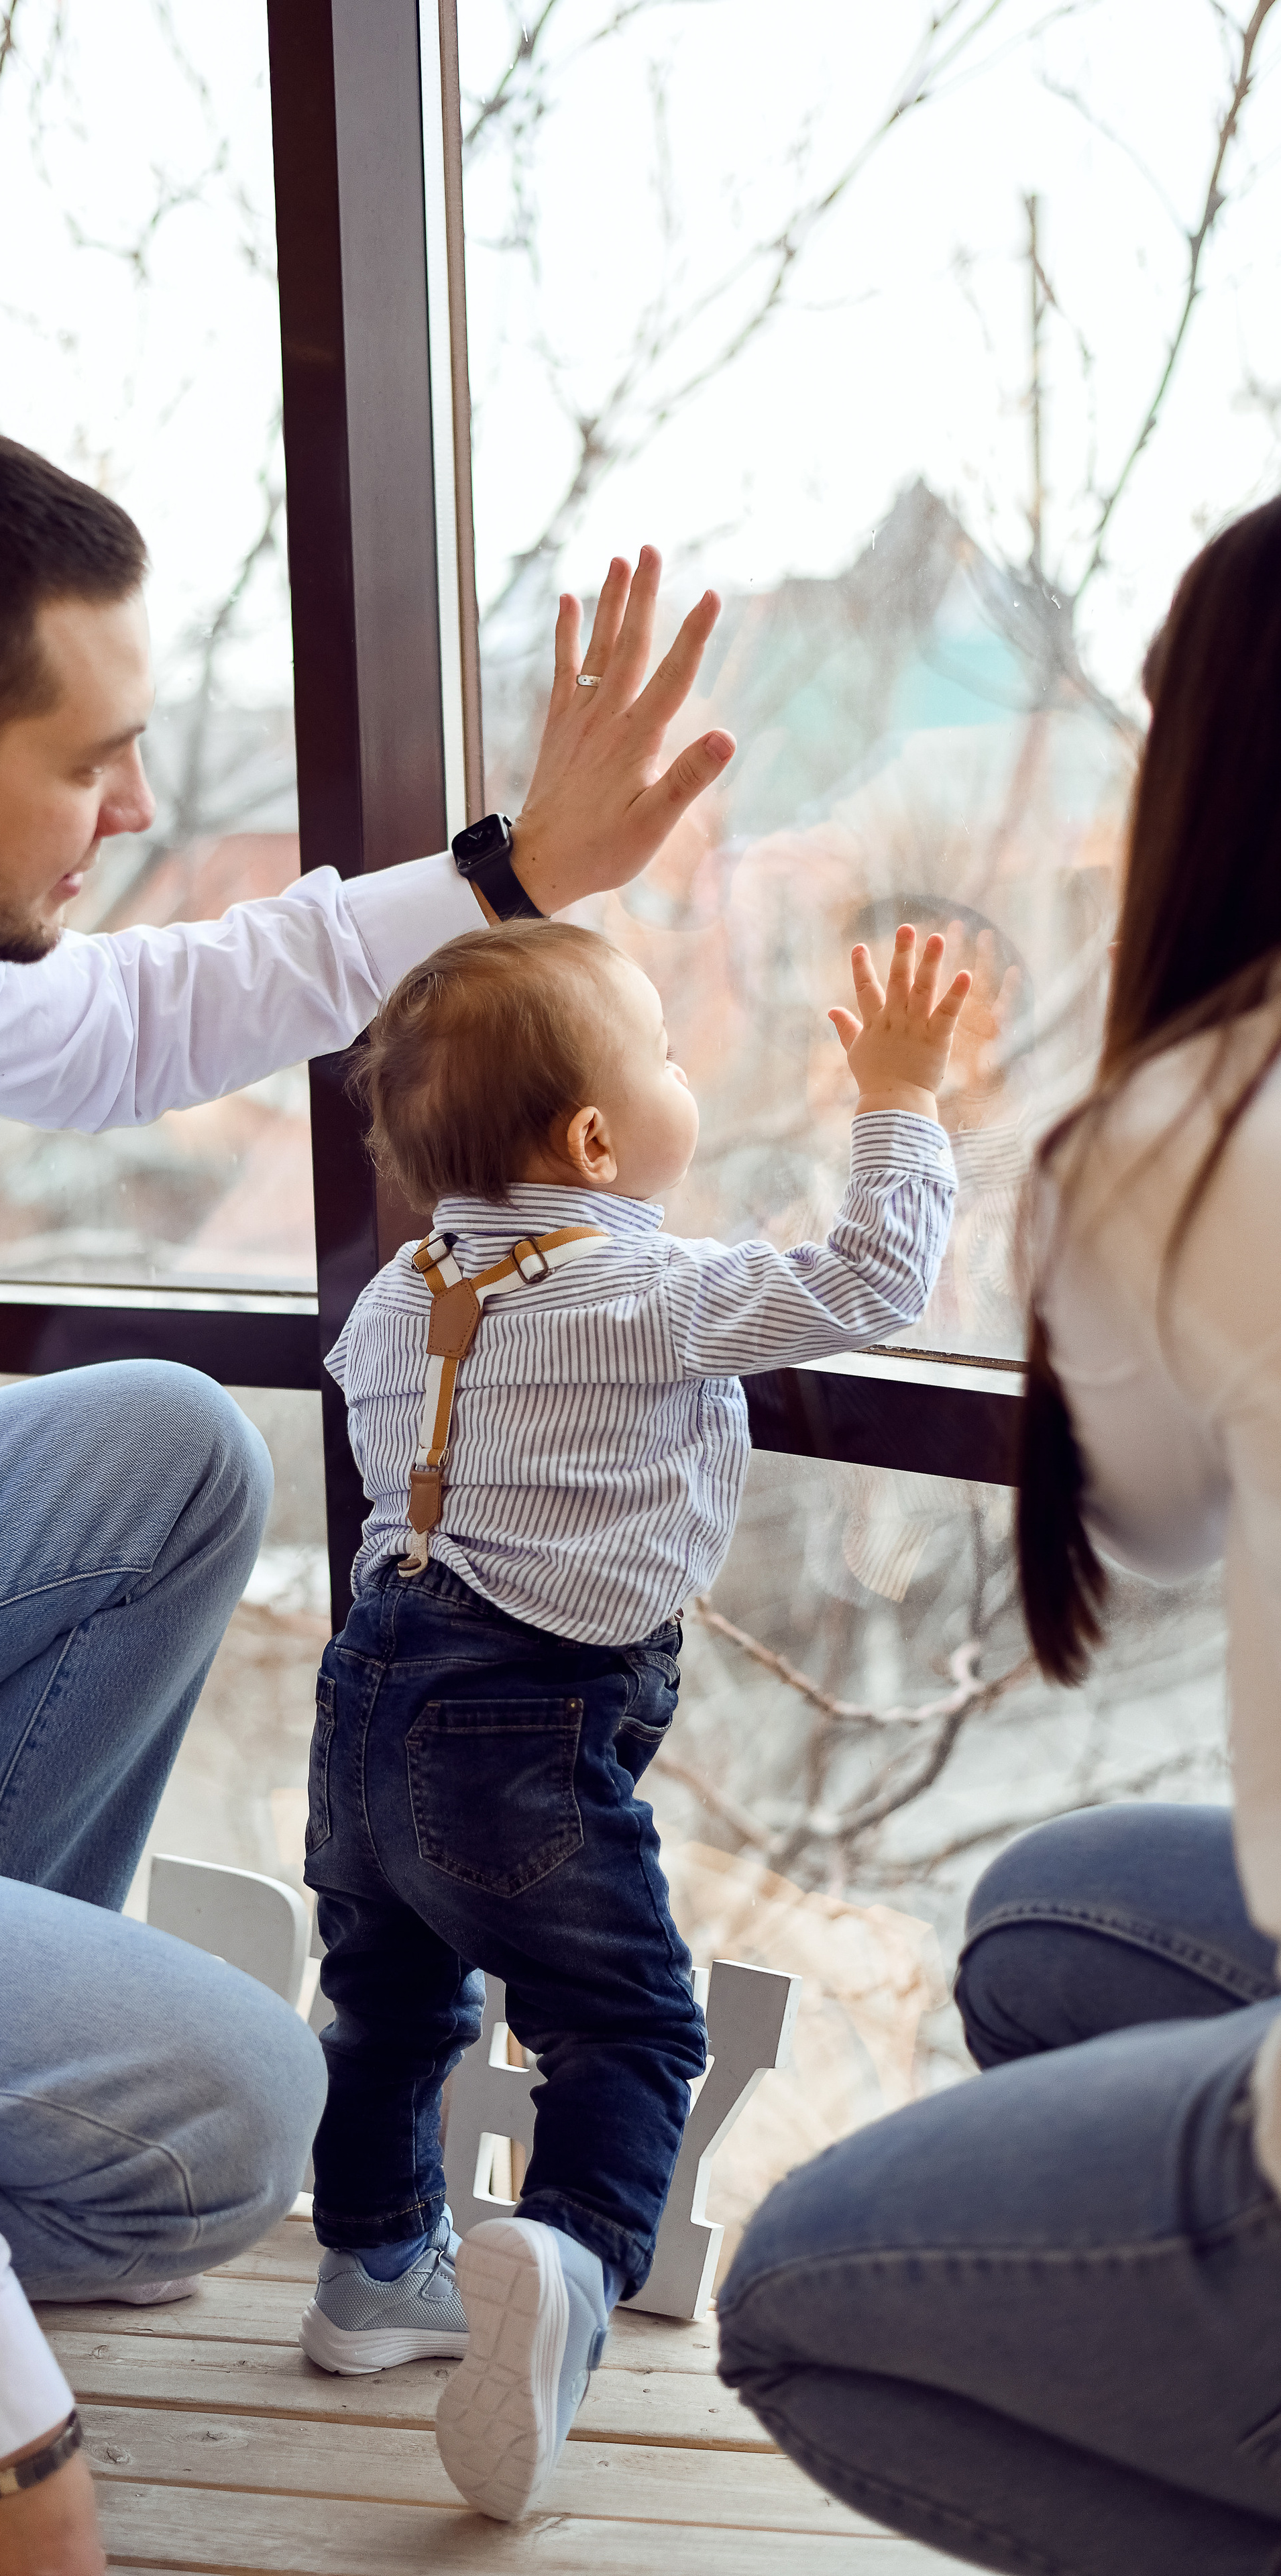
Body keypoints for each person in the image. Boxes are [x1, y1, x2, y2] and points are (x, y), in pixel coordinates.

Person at [0, 413, 738, 2575]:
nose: (135, 807)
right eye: (92, 761)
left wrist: (503, 882)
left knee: (166, 1456)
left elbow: (111, 1024)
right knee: (222, 2125)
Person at [716, 492, 1281, 2576]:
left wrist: (903, 1113)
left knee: (797, 2309)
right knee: (1054, 1912)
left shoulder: (1187, 1132)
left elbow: (1150, 1517)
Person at [292, 912, 969, 2520]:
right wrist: (900, 1099)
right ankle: (573, 2265)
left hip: (366, 1684)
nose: (684, 1072)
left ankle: (368, 2272)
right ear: (596, 1140)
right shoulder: (642, 1291)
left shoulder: (397, 1297)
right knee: (630, 2028)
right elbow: (868, 1278)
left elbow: (391, 1415)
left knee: (390, 2004)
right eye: (664, 1055)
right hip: (523, 1718)